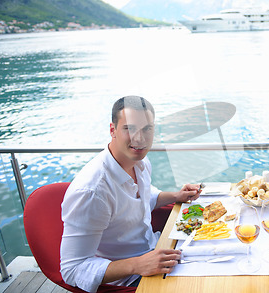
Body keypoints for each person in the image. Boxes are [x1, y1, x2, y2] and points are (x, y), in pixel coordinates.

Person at [60, 96, 202, 292]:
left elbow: (142, 198)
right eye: (129, 128)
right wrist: (137, 264)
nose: (140, 138)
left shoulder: (140, 163)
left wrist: (175, 196)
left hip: (157, 250)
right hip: (130, 278)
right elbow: (72, 269)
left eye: (147, 129)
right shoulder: (92, 192)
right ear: (113, 130)